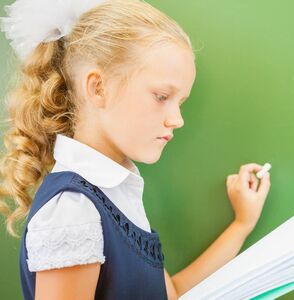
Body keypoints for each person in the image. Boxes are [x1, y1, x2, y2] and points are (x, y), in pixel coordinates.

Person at [0, 0, 271, 299]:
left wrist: (241, 225)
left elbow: (172, 292)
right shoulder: (73, 211)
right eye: (161, 96)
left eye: (179, 103)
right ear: (98, 88)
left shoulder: (115, 191)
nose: (177, 119)